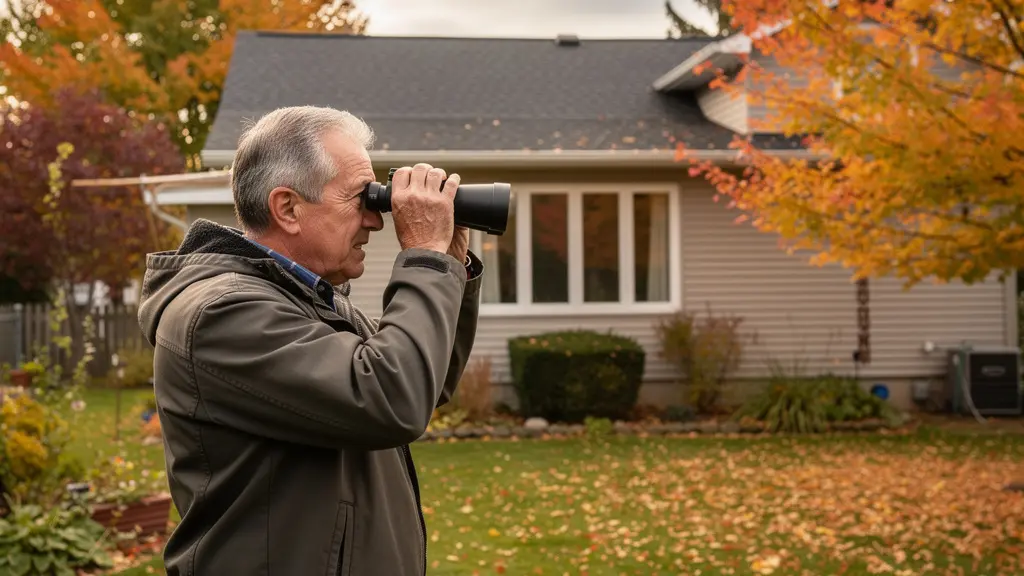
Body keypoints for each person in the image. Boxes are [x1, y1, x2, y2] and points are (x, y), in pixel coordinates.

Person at [137, 105, 483, 576]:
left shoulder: (307, 299)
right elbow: (390, 397)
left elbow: (426, 382)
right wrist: (424, 257)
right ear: (288, 208)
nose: (375, 221)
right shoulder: (221, 314)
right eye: (360, 200)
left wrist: (452, 265)